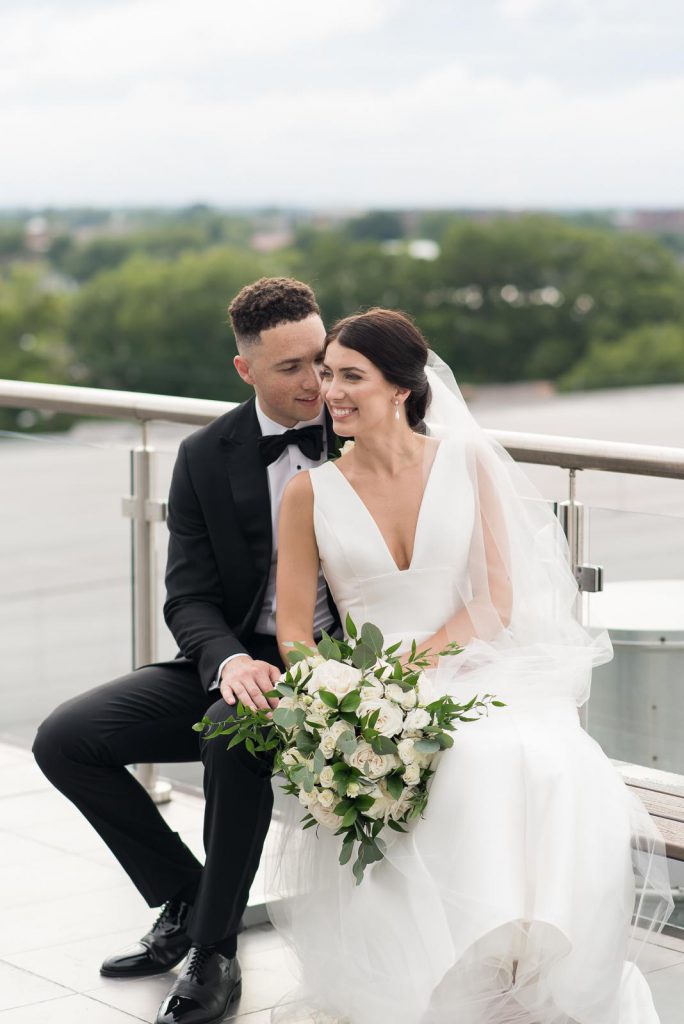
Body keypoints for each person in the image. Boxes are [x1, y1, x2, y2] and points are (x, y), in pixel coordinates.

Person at [271, 308, 673, 1024]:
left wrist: (410, 672)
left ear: (400, 388)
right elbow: (296, 632)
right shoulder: (309, 493)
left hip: (473, 664)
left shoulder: (467, 459)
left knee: (541, 758)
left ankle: (530, 971)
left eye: (350, 376)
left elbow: (495, 598)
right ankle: (442, 986)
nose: (330, 390)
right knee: (463, 764)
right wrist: (341, 697)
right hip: (365, 691)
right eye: (327, 374)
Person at [32, 277, 340, 1024]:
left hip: (334, 664)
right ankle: (187, 891)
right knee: (66, 739)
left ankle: (213, 951)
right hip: (231, 654)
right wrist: (229, 661)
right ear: (245, 372)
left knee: (231, 746)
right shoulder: (205, 454)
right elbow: (188, 596)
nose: (315, 382)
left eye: (321, 358)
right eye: (290, 367)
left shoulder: (365, 425)